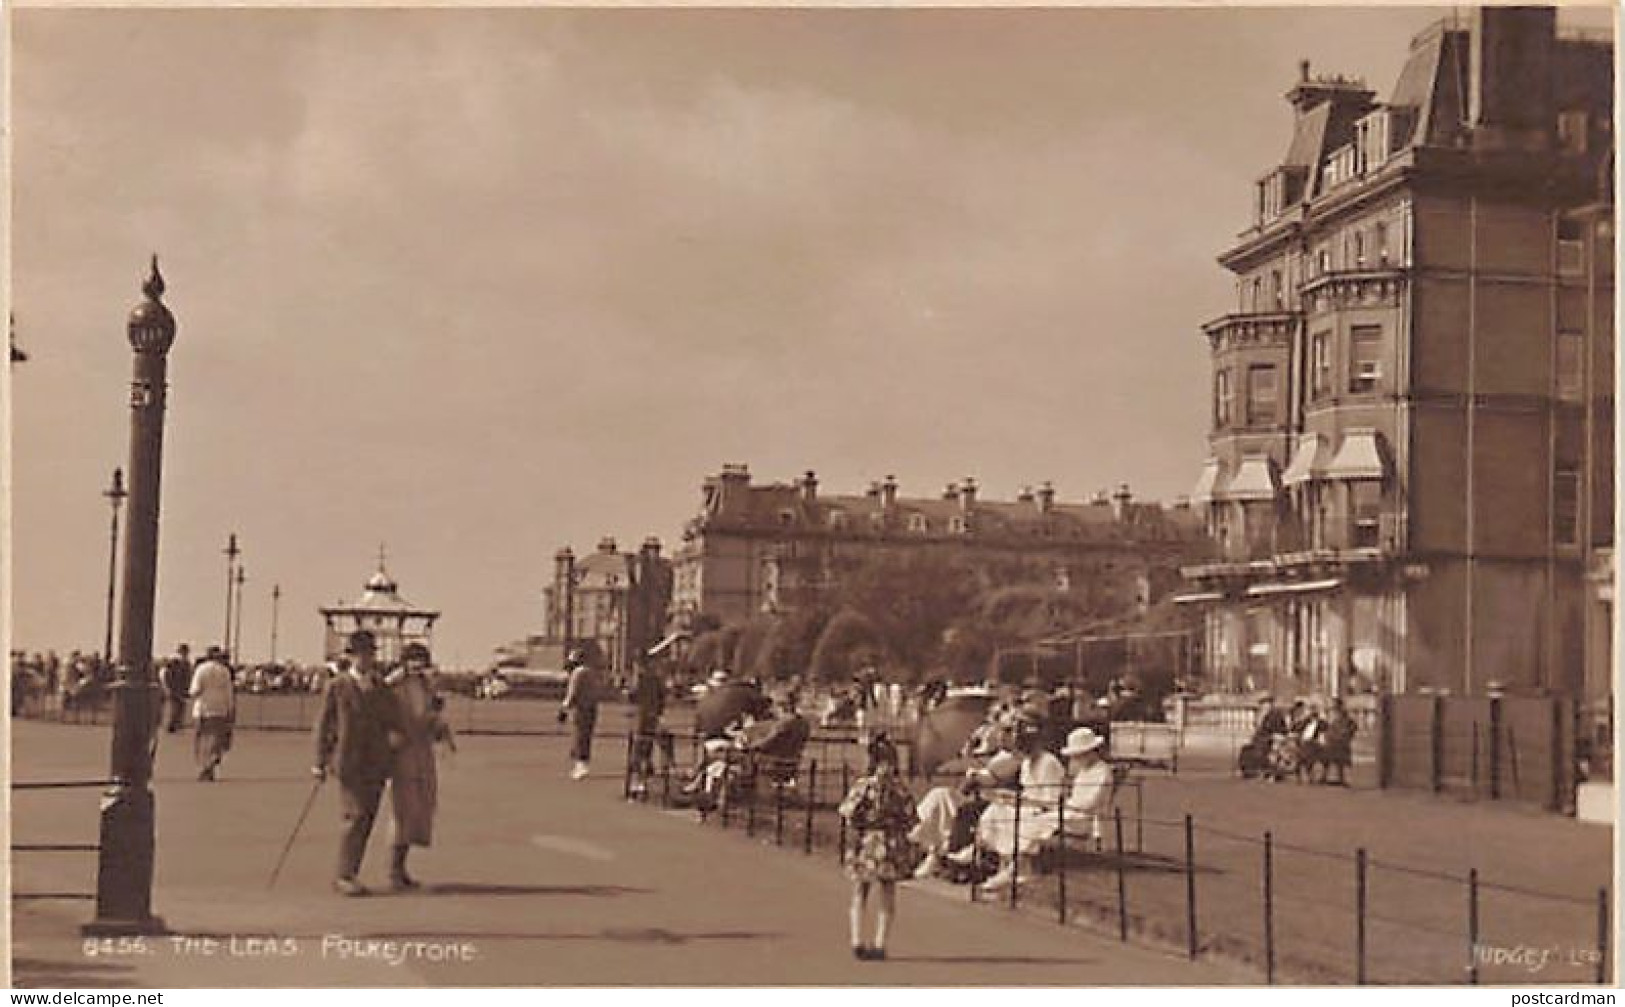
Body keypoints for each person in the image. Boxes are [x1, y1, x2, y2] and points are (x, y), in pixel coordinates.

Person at [313, 630, 403, 896]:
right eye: (360, 654)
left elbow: (393, 716)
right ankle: (344, 875)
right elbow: (323, 725)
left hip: (376, 761)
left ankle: (351, 872)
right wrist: (319, 762)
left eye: (369, 654)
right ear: (350, 657)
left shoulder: (380, 686)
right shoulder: (338, 686)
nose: (365, 659)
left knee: (367, 819)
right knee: (356, 815)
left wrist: (395, 734)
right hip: (348, 760)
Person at [837, 735, 916, 961]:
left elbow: (847, 812)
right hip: (889, 841)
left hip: (867, 840)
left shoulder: (864, 786)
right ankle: (878, 942)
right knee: (884, 892)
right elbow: (911, 818)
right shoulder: (900, 789)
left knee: (862, 891)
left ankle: (858, 939)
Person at [385, 642, 454, 890]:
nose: (417, 667)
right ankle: (394, 870)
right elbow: (382, 713)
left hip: (423, 754)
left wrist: (440, 727)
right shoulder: (394, 686)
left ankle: (402, 867)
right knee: (403, 811)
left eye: (421, 661)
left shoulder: (427, 687)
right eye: (413, 661)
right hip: (403, 754)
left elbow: (431, 718)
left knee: (420, 812)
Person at [189, 645, 236, 782]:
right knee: (216, 739)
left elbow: (194, 690)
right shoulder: (224, 671)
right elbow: (229, 693)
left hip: (203, 709)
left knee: (202, 740)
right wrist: (230, 710)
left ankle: (204, 765)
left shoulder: (201, 669)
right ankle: (211, 763)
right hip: (220, 708)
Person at [558, 650, 601, 780]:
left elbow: (572, 693)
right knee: (585, 737)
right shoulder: (591, 672)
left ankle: (581, 766)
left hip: (582, 709)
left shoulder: (578, 673)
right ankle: (582, 764)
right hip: (592, 708)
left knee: (580, 736)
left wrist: (563, 709)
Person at [628, 660, 667, 798]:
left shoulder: (640, 679)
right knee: (647, 748)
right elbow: (663, 696)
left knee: (637, 749)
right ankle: (643, 782)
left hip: (642, 716)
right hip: (652, 716)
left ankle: (637, 783)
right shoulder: (656, 679)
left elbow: (632, 695)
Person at [158, 644, 193, 734]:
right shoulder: (175, 662)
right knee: (175, 706)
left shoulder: (186, 663)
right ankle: (172, 725)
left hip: (181, 688)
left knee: (179, 706)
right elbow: (167, 674)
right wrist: (168, 687)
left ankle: (176, 724)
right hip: (175, 688)